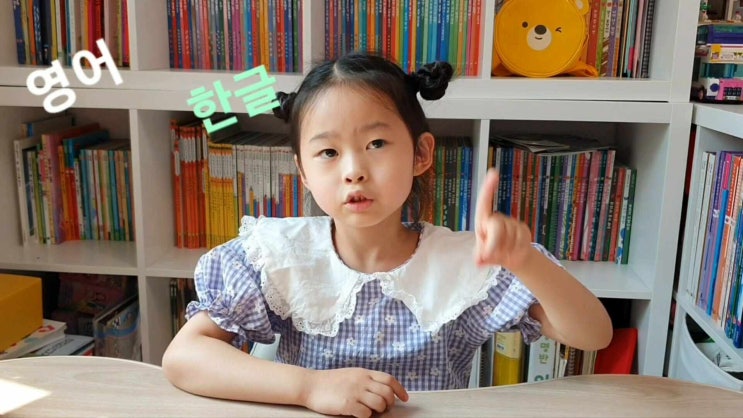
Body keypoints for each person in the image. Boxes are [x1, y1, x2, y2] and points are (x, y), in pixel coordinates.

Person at [162, 52, 613, 418]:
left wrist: (525, 262)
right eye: (328, 152)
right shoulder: (282, 255)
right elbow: (184, 357)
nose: (354, 170)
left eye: (376, 144)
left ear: (420, 153)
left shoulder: (460, 262)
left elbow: (593, 334)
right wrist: (309, 387)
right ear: (303, 172)